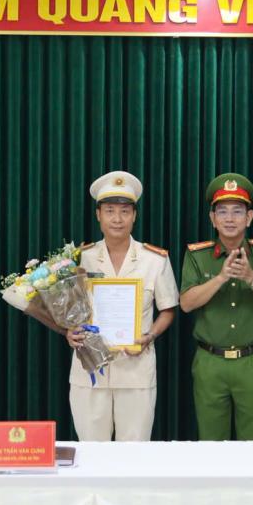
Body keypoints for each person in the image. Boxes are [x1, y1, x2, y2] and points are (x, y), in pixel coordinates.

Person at [66, 171, 179, 441]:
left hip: (135, 369)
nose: (117, 219)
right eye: (110, 211)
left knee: (133, 455)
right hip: (90, 370)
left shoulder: (155, 260)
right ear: (98, 215)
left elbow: (168, 309)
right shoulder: (80, 258)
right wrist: (69, 332)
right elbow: (69, 310)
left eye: (125, 211)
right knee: (92, 452)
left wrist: (150, 335)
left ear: (134, 216)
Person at [179, 173, 253, 441]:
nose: (229, 219)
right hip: (209, 363)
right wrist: (221, 278)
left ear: (249, 218)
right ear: (212, 218)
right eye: (222, 212)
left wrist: (251, 277)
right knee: (211, 444)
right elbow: (186, 304)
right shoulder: (197, 255)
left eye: (237, 211)